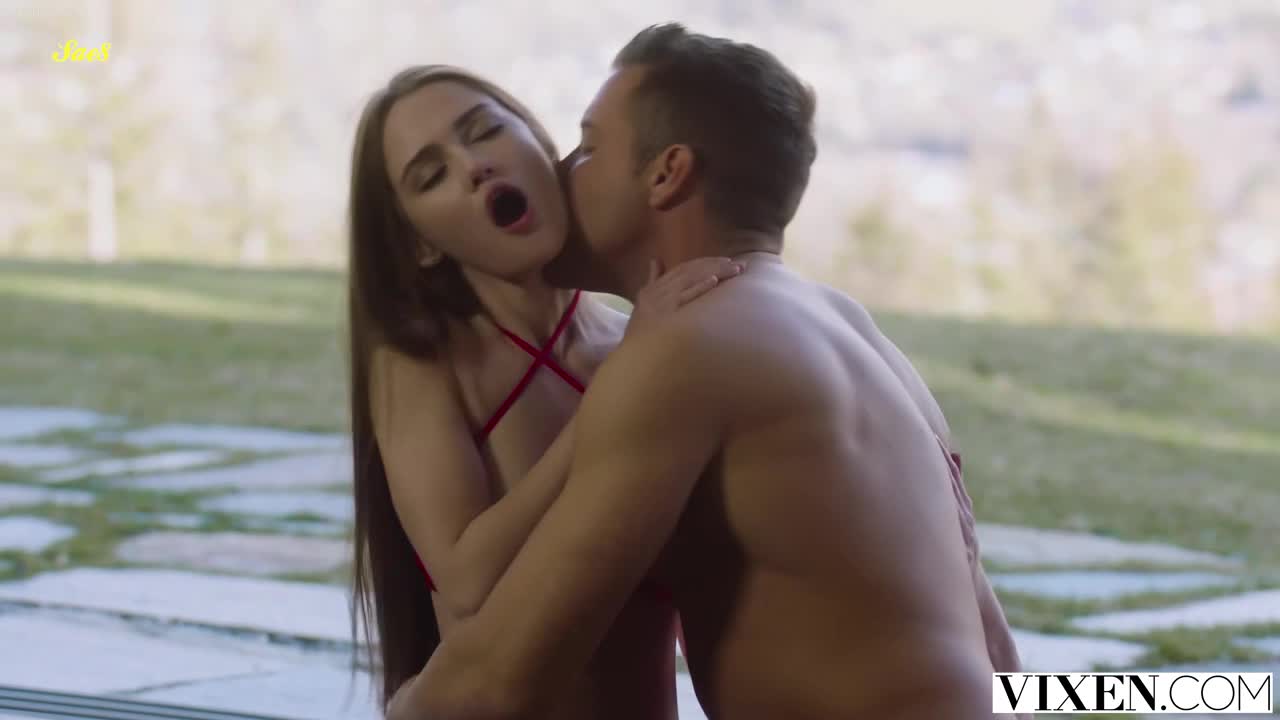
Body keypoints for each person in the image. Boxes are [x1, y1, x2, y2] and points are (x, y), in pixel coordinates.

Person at [391, 24, 1021, 720]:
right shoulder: (854, 328)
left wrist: (403, 704)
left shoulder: (683, 351)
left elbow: (502, 681)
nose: (563, 170)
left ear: (667, 174)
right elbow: (998, 656)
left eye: (589, 147)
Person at [345, 64, 742, 719]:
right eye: (432, 175)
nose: (474, 167)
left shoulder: (635, 341)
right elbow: (466, 580)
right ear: (420, 244)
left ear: (540, 143)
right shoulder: (426, 365)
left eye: (484, 132)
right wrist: (615, 401)